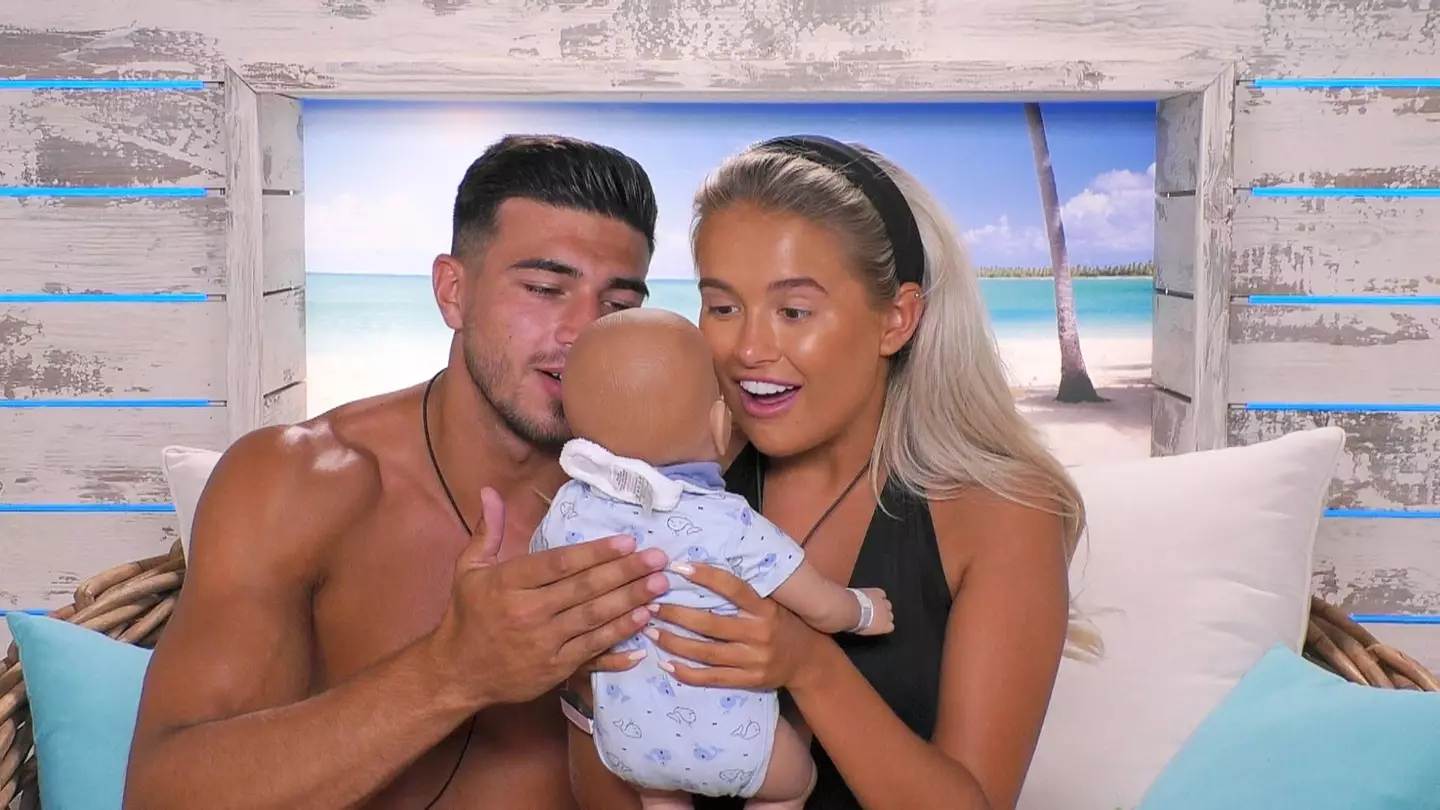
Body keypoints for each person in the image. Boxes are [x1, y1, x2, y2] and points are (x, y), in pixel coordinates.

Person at [122, 134, 678, 810]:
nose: (582, 331)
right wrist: (454, 670)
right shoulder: (299, 480)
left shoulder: (668, 504)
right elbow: (163, 796)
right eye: (543, 289)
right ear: (453, 291)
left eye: (616, 306)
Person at [568, 135, 1099, 810]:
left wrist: (808, 664)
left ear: (896, 320)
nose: (749, 348)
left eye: (793, 311)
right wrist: (586, 684)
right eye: (723, 307)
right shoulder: (659, 489)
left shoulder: (1002, 513)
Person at [532, 308, 894, 810]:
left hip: (629, 746)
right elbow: (818, 603)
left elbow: (545, 573)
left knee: (659, 796)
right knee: (793, 783)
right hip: (733, 747)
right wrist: (864, 610)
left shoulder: (570, 507)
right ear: (719, 424)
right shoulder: (725, 520)